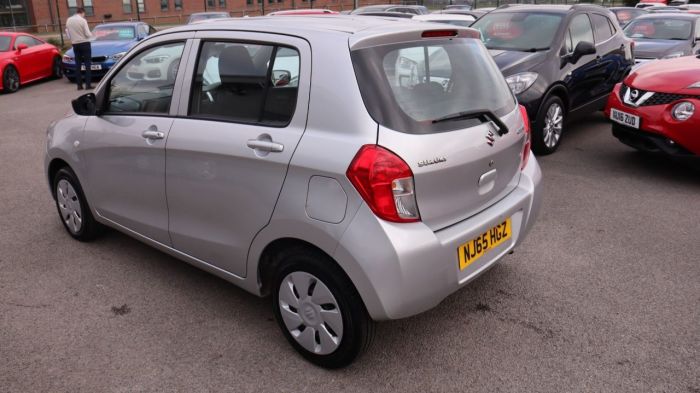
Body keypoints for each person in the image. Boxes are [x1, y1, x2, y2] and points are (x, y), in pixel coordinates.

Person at [66, 8, 93, 90]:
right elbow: (87, 34)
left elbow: (67, 33)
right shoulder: (82, 20)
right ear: (82, 13)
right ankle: (88, 85)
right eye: (84, 14)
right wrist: (92, 35)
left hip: (75, 44)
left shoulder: (68, 20)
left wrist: (73, 39)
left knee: (78, 65)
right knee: (87, 65)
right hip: (84, 43)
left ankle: (79, 85)